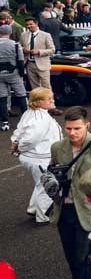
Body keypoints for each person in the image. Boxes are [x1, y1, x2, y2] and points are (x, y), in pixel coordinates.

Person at [44, 107, 91, 279]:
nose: (72, 133)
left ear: (87, 125)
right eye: (68, 128)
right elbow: (51, 171)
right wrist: (50, 182)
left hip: (88, 212)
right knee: (72, 260)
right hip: (64, 212)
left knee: (83, 260)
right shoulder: (57, 148)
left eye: (77, 128)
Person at [10, 88, 62, 224]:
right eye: (49, 99)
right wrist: (20, 147)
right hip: (39, 158)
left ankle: (33, 208)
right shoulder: (41, 118)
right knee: (47, 185)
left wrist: (15, 143)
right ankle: (44, 216)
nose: (52, 100)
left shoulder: (30, 113)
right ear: (39, 102)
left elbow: (19, 131)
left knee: (41, 182)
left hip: (34, 158)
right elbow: (30, 139)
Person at [0, 24, 28, 132]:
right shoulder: (16, 45)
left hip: (0, 75)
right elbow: (20, 61)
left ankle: (5, 122)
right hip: (13, 73)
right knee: (21, 94)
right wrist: (21, 74)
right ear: (10, 32)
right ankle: (26, 121)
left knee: (2, 98)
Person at [21, 17, 56, 90]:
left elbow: (52, 50)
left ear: (36, 24)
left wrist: (39, 51)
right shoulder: (23, 35)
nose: (29, 26)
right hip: (29, 64)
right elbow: (19, 47)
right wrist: (23, 50)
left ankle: (50, 101)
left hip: (42, 64)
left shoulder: (46, 35)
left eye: (31, 24)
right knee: (35, 88)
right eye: (27, 25)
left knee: (46, 87)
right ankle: (38, 101)